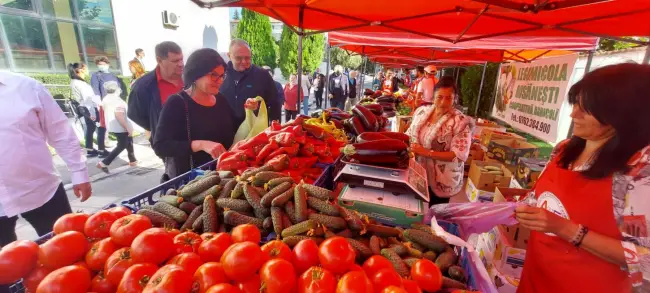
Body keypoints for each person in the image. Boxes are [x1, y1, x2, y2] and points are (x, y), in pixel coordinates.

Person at [514, 63, 650, 293]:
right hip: (535, 278)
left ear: (622, 114)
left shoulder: (637, 174)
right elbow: (540, 199)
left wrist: (567, 230)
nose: (573, 114)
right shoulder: (564, 150)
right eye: (576, 103)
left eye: (586, 109)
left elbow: (643, 259)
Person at [0, 71, 92, 246]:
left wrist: (79, 172)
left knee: (66, 248)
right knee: (6, 266)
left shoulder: (26, 87)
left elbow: (60, 132)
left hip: (41, 190)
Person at [153, 48, 237, 179]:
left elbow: (236, 126)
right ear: (196, 74)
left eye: (222, 76)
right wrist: (200, 144)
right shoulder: (177, 103)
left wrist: (251, 110)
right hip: (190, 183)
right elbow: (160, 145)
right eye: (214, 75)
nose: (220, 81)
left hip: (222, 177)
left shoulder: (220, 99)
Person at [406, 76, 473, 205]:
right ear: (433, 97)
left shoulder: (460, 122)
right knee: (414, 208)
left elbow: (458, 155)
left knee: (436, 213)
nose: (443, 102)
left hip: (443, 179)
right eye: (440, 97)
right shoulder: (421, 112)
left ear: (455, 99)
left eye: (449, 98)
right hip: (418, 172)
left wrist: (426, 152)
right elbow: (409, 134)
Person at [128, 41, 184, 145]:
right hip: (169, 144)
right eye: (175, 61)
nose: (181, 64)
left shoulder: (190, 77)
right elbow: (134, 114)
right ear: (159, 60)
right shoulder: (143, 86)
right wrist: (157, 128)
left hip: (196, 140)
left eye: (181, 59)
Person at [220, 39, 281, 125]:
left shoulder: (262, 75)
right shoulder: (220, 75)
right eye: (238, 58)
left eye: (247, 58)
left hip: (254, 131)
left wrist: (274, 124)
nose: (244, 62)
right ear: (229, 56)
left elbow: (275, 102)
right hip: (226, 131)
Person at [96, 81, 136, 173]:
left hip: (113, 126)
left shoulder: (106, 99)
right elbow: (119, 115)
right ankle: (104, 163)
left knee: (129, 141)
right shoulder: (117, 101)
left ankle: (133, 160)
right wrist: (127, 127)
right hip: (120, 126)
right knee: (122, 145)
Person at [69, 62, 108, 158]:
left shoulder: (74, 82)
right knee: (101, 128)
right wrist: (93, 113)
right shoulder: (81, 84)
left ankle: (90, 149)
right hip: (89, 107)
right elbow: (88, 99)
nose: (87, 70)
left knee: (90, 129)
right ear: (81, 70)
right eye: (85, 68)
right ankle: (101, 150)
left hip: (83, 108)